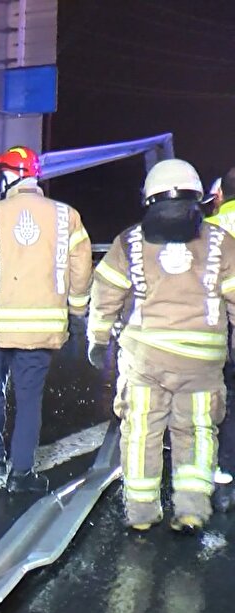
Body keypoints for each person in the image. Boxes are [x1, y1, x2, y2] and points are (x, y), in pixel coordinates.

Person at [89, 158, 235, 533]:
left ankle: (141, 513)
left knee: (141, 432)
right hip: (201, 363)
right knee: (196, 432)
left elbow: (106, 294)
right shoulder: (222, 242)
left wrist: (98, 338)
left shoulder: (128, 241)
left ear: (149, 198)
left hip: (145, 359)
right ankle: (191, 510)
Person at [0, 146, 93, 493]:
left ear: (9, 176)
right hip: (41, 328)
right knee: (29, 398)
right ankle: (21, 474)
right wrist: (77, 310)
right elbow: (81, 269)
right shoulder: (67, 216)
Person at [204, 170, 235, 510]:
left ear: (220, 195)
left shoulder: (208, 230)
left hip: (219, 325)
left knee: (222, 397)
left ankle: (224, 466)